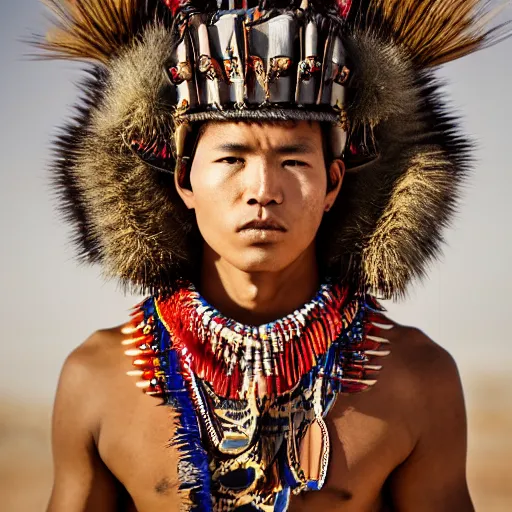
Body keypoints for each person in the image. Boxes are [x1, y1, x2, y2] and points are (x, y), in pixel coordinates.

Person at [38, 1, 507, 511]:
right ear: (183, 179)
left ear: (332, 184)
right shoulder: (98, 377)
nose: (263, 190)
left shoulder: (416, 378)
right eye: (232, 158)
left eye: (292, 159)